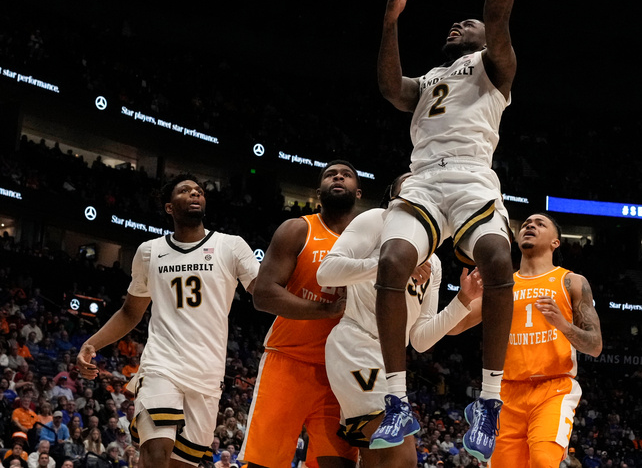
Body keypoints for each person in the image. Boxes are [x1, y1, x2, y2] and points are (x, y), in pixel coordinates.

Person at [372, 0, 525, 462]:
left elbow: (497, 10)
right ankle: (396, 400)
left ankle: (488, 400)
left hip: (470, 179)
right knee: (391, 261)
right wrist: (389, 24)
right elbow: (390, 88)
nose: (459, 24)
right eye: (457, 24)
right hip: (423, 182)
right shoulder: (432, 80)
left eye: (471, 24)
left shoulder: (496, 67)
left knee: (497, 258)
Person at [76, 174, 260, 468]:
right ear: (169, 208)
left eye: (199, 191)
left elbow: (264, 293)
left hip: (208, 376)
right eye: (185, 191)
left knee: (180, 464)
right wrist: (91, 343)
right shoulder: (149, 252)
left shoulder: (231, 246)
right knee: (155, 452)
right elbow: (129, 312)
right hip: (162, 365)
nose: (195, 194)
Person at [317, 173, 483, 468]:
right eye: (410, 181)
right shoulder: (376, 220)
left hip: (391, 363)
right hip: (357, 345)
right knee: (403, 458)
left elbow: (420, 339)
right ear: (392, 197)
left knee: (377, 459)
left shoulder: (434, 260)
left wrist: (463, 301)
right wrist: (391, 266)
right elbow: (327, 272)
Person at [240, 161, 363, 468]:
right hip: (288, 362)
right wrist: (326, 309)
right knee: (261, 465)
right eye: (330, 174)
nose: (338, 177)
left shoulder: (371, 242)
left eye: (346, 175)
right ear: (319, 191)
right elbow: (263, 294)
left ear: (357, 193)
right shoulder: (298, 229)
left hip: (340, 373)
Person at [491, 213, 603, 468]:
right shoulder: (502, 285)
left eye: (540, 224)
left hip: (553, 388)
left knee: (543, 460)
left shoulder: (571, 281)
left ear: (556, 242)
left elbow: (595, 346)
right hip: (507, 391)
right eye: (527, 223)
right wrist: (463, 299)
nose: (530, 225)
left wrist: (563, 325)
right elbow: (455, 327)